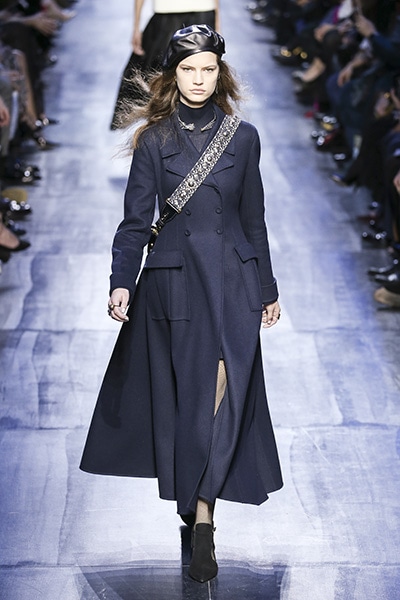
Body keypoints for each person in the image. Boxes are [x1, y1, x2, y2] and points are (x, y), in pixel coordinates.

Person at [80, 24, 283, 584]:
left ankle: (205, 521)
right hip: (175, 287)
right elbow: (134, 222)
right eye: (189, 69)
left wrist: (267, 287)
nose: (198, 79)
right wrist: (122, 281)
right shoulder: (153, 141)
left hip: (234, 283)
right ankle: (194, 506)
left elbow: (254, 219)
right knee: (188, 404)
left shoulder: (244, 137)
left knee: (223, 399)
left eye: (208, 69)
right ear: (174, 74)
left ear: (221, 74)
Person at [110, 0, 220, 129]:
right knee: (160, 77)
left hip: (177, 11)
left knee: (159, 77)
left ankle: (175, 133)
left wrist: (136, 26)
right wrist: (217, 22)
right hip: (191, 11)